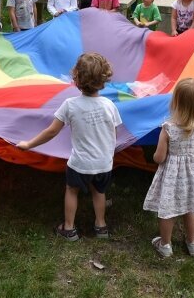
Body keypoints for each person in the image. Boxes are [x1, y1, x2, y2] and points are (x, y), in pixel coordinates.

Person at [17, 53, 121, 241]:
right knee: (99, 192)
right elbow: (114, 135)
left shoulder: (70, 105)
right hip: (105, 163)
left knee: (72, 190)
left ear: (77, 78)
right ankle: (101, 226)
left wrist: (29, 144)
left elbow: (51, 132)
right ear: (104, 79)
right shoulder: (109, 105)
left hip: (80, 164)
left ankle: (69, 228)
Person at [143, 78, 194, 257]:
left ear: (176, 101)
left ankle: (165, 245)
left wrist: (154, 156)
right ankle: (192, 243)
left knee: (167, 211)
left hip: (173, 176)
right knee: (190, 209)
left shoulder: (168, 128)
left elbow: (159, 157)